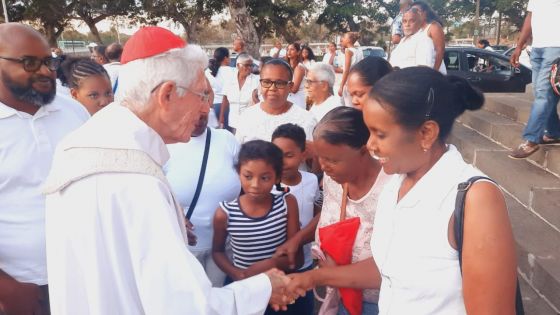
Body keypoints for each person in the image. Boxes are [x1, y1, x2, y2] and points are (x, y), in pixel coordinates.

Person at [43, 26, 290, 315]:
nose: (204, 110)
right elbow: (187, 306)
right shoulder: (137, 182)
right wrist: (264, 287)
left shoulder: (80, 143)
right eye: (201, 96)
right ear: (168, 94)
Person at [364, 67, 517, 313]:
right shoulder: (395, 185)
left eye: (380, 134)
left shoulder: (476, 199)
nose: (369, 144)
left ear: (426, 133)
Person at [0, 23, 89, 315]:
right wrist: (7, 288)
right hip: (21, 290)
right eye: (29, 62)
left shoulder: (73, 112)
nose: (46, 71)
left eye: (48, 61)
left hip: (83, 274)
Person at [278, 106, 390, 315]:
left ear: (365, 151)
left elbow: (391, 263)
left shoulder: (392, 190)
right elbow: (331, 213)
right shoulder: (333, 179)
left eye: (332, 160)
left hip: (375, 303)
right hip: (337, 293)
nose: (324, 167)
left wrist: (316, 277)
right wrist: (298, 239)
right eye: (321, 157)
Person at [212, 140, 302, 313]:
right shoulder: (225, 213)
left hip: (279, 287)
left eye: (265, 178)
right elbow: (217, 251)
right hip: (245, 289)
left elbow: (296, 259)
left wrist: (270, 263)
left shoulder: (287, 203)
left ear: (277, 177)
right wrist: (237, 273)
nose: (255, 184)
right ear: (238, 173)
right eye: (248, 176)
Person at [165, 103, 240, 288]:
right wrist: (173, 215)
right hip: (183, 249)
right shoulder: (164, 145)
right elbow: (147, 193)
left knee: (218, 300)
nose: (198, 118)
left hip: (224, 247)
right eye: (191, 112)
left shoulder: (227, 140)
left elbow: (247, 178)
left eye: (203, 112)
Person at [271, 123, 322, 314]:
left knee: (302, 307)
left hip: (304, 263)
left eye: (289, 155)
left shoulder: (311, 181)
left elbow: (319, 210)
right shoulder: (265, 186)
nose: (282, 162)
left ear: (303, 154)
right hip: (274, 263)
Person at [509, 0, 560, 158]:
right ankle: (553, 132)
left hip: (556, 47)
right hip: (537, 48)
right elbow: (530, 18)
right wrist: (519, 46)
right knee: (542, 93)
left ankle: (531, 140)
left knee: (543, 93)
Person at [235, 58, 317, 144]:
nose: (272, 88)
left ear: (290, 86)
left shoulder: (306, 119)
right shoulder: (247, 117)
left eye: (279, 83)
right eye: (266, 82)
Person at [389, 8, 446, 74]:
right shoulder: (402, 41)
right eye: (404, 21)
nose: (407, 24)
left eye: (412, 21)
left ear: (419, 23)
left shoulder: (423, 40)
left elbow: (423, 71)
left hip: (410, 82)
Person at [220, 53, 260, 132]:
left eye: (251, 65)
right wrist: (221, 118)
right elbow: (225, 99)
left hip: (251, 122)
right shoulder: (229, 79)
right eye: (246, 65)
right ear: (238, 65)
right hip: (234, 122)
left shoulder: (256, 80)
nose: (249, 68)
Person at [411, 1, 446, 73]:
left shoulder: (433, 27)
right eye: (412, 11)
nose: (413, 13)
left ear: (424, 13)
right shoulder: (417, 30)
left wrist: (434, 72)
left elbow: (440, 51)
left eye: (416, 11)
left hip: (434, 73)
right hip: (420, 73)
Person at [207, 47, 234, 128]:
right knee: (227, 133)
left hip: (212, 106)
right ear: (225, 58)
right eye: (229, 57)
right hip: (227, 106)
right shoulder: (233, 71)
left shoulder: (208, 71)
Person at [338, 32, 364, 105]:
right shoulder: (359, 51)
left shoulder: (348, 51)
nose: (342, 39)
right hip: (356, 81)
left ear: (349, 40)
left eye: (344, 37)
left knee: (347, 106)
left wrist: (341, 86)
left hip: (348, 82)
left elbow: (346, 70)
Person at [285, 43, 307, 109]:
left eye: (292, 49)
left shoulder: (299, 67)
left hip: (297, 99)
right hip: (288, 97)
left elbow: (294, 89)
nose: (289, 52)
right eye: (288, 49)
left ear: (298, 52)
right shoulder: (286, 66)